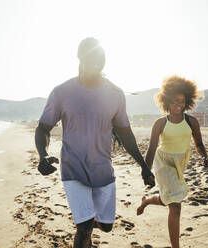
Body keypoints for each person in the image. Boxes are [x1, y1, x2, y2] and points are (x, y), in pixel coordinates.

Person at [35, 37, 155, 248]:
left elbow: (125, 133)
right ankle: (85, 225)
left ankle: (88, 222)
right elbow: (43, 128)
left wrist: (144, 166)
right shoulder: (62, 92)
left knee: (106, 225)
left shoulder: (115, 94)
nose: (97, 61)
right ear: (80, 57)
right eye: (92, 56)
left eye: (101, 57)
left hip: (102, 170)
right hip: (73, 169)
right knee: (84, 227)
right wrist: (42, 154)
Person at [136, 75, 208, 248]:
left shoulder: (191, 122)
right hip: (163, 163)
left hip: (181, 161)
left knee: (168, 199)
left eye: (182, 101)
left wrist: (204, 156)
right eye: (176, 101)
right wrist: (146, 171)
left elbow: (199, 143)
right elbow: (151, 148)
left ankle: (147, 201)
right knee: (175, 206)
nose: (179, 105)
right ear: (167, 101)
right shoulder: (160, 123)